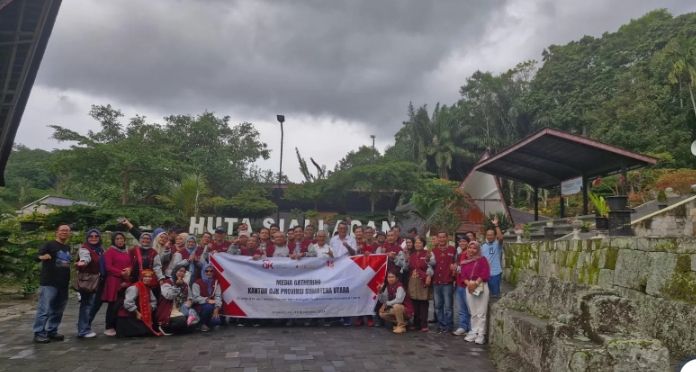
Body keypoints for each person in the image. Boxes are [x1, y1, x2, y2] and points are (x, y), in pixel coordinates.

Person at [32, 224, 72, 343]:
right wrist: (42, 256)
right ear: (57, 232)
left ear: (69, 233)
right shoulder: (49, 244)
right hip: (49, 282)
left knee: (58, 310)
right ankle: (39, 332)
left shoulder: (67, 247)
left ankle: (52, 331)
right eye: (62, 230)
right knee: (44, 309)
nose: (64, 232)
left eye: (67, 230)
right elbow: (36, 256)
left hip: (63, 283)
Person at [75, 228, 105, 338]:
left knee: (92, 305)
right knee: (87, 305)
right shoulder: (85, 249)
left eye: (96, 236)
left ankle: (84, 326)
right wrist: (82, 262)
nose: (93, 238)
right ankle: (83, 330)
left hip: (97, 280)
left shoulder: (100, 249)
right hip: (88, 281)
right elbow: (85, 257)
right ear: (87, 238)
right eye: (91, 236)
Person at [458, 241, 490, 344]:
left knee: (481, 312)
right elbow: (463, 275)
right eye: (469, 248)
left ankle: (481, 334)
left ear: (478, 250)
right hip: (469, 286)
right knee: (473, 312)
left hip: (480, 285)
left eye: (474, 248)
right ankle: (474, 331)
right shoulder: (464, 261)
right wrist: (469, 284)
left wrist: (475, 283)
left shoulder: (482, 260)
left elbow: (485, 273)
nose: (471, 250)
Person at [102, 231, 131, 336]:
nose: (120, 241)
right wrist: (121, 273)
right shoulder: (110, 251)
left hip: (126, 280)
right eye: (117, 239)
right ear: (114, 240)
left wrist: (129, 270)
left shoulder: (127, 251)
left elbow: (131, 264)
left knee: (123, 303)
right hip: (114, 281)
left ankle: (119, 325)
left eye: (121, 239)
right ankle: (109, 326)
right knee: (113, 304)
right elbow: (108, 267)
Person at [116, 269, 160, 337]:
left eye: (149, 277)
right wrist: (137, 312)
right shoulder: (134, 288)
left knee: (148, 331)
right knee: (143, 332)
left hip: (140, 315)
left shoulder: (148, 289)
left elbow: (153, 301)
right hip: (128, 316)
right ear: (142, 278)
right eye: (145, 277)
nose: (148, 279)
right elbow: (128, 303)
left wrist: (150, 308)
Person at [157, 265, 198, 335]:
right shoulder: (166, 283)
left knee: (194, 323)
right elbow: (169, 296)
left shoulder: (185, 284)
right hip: (169, 310)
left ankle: (179, 329)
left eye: (184, 272)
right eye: (180, 271)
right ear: (175, 271)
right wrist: (176, 285)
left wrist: (189, 302)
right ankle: (165, 328)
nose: (182, 273)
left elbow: (190, 297)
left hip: (180, 309)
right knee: (181, 321)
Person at [429, 231, 456, 334]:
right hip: (436, 282)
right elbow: (430, 265)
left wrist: (454, 270)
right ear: (437, 238)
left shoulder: (452, 250)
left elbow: (456, 263)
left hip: (447, 282)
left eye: (443, 237)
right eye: (439, 237)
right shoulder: (433, 251)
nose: (441, 239)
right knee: (438, 306)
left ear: (447, 238)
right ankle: (441, 325)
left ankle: (449, 326)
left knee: (448, 306)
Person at [407, 236, 432, 332]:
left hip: (423, 280)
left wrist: (428, 276)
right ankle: (416, 323)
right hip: (413, 280)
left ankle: (424, 324)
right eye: (416, 243)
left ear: (423, 244)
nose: (418, 244)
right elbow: (409, 267)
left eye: (420, 243)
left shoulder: (427, 254)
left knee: (423, 303)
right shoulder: (412, 255)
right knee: (414, 302)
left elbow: (431, 266)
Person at [191, 265, 222, 332]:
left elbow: (218, 296)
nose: (209, 273)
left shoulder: (216, 282)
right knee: (208, 307)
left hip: (212, 304)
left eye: (211, 271)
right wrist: (207, 300)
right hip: (199, 305)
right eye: (206, 271)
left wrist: (217, 308)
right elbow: (195, 298)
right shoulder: (197, 283)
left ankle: (208, 322)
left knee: (217, 321)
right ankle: (201, 324)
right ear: (203, 272)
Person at [481, 216, 504, 298]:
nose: (489, 237)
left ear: (494, 236)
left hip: (495, 273)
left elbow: (501, 237)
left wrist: (496, 225)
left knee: (495, 295)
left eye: (491, 235)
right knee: (485, 296)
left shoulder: (497, 244)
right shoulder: (482, 246)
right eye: (488, 235)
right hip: (484, 274)